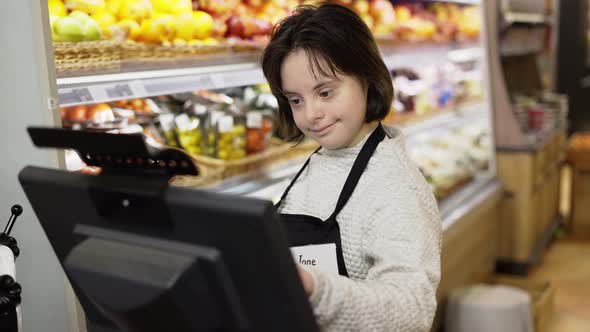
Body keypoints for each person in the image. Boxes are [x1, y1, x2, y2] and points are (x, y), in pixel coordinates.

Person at [261, 3, 441, 332]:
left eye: (325, 92)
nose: (310, 114)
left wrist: (316, 289)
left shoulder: (397, 189)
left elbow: (413, 311)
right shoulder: (325, 157)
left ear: (366, 78)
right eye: (295, 100)